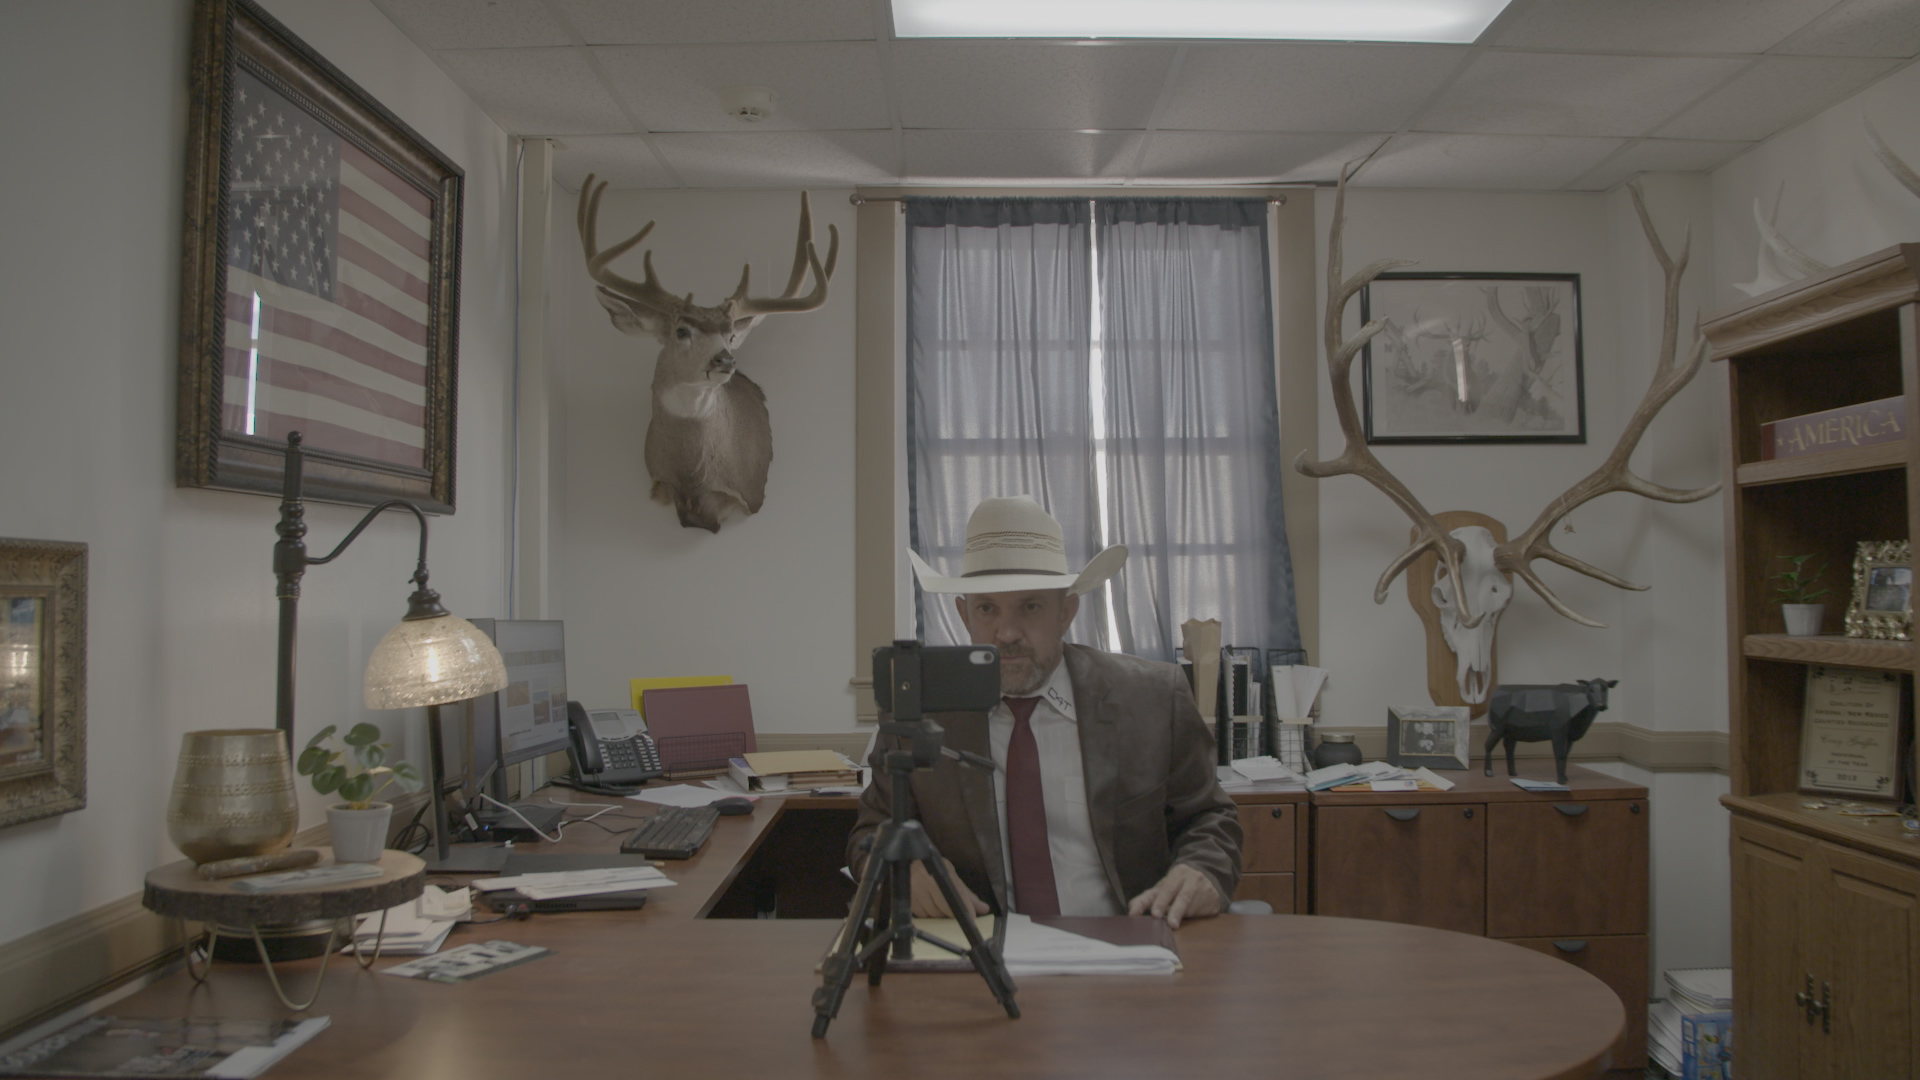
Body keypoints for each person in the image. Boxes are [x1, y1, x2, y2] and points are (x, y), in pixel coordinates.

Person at [848, 495, 1242, 929]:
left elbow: (1210, 819)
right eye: (986, 608)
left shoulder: (1152, 698)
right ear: (963, 614)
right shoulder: (918, 712)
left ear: (1066, 611)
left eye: (1030, 606)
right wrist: (896, 866)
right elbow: (871, 832)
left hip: (1127, 947)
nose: (1008, 632)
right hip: (982, 954)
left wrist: (1203, 870)